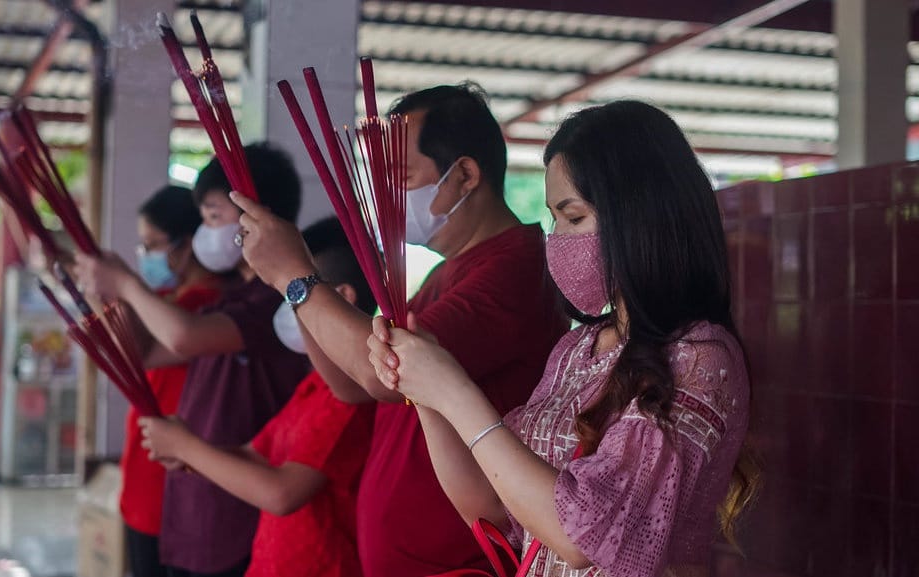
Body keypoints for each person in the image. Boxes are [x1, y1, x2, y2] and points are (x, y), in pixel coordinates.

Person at [367, 100, 759, 577]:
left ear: (639, 216)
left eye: (573, 219)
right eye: (554, 220)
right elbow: (491, 504)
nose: (556, 239)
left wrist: (454, 389)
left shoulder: (700, 357)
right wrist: (426, 391)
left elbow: (585, 537)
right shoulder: (576, 350)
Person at [232, 83, 569, 576]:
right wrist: (295, 280)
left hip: (462, 561)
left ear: (466, 175)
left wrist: (294, 277)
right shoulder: (445, 272)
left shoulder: (514, 270)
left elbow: (382, 375)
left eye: (401, 176)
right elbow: (349, 385)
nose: (386, 196)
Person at [75, 144, 310, 577]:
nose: (205, 232)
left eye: (213, 218)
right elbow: (143, 352)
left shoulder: (275, 302)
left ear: (259, 214)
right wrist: (101, 288)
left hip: (236, 516)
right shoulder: (235, 296)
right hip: (196, 509)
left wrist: (125, 284)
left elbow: (184, 338)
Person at [139, 216, 376, 577]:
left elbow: (281, 493)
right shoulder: (315, 385)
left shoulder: (350, 398)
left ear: (343, 296)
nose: (286, 305)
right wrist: (184, 450)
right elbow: (256, 454)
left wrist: (188, 448)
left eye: (295, 292)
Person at [121, 185, 220, 577]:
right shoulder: (166, 298)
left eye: (153, 244)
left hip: (171, 491)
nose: (146, 256)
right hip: (143, 485)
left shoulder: (204, 310)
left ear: (188, 242)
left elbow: (137, 350)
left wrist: (123, 285)